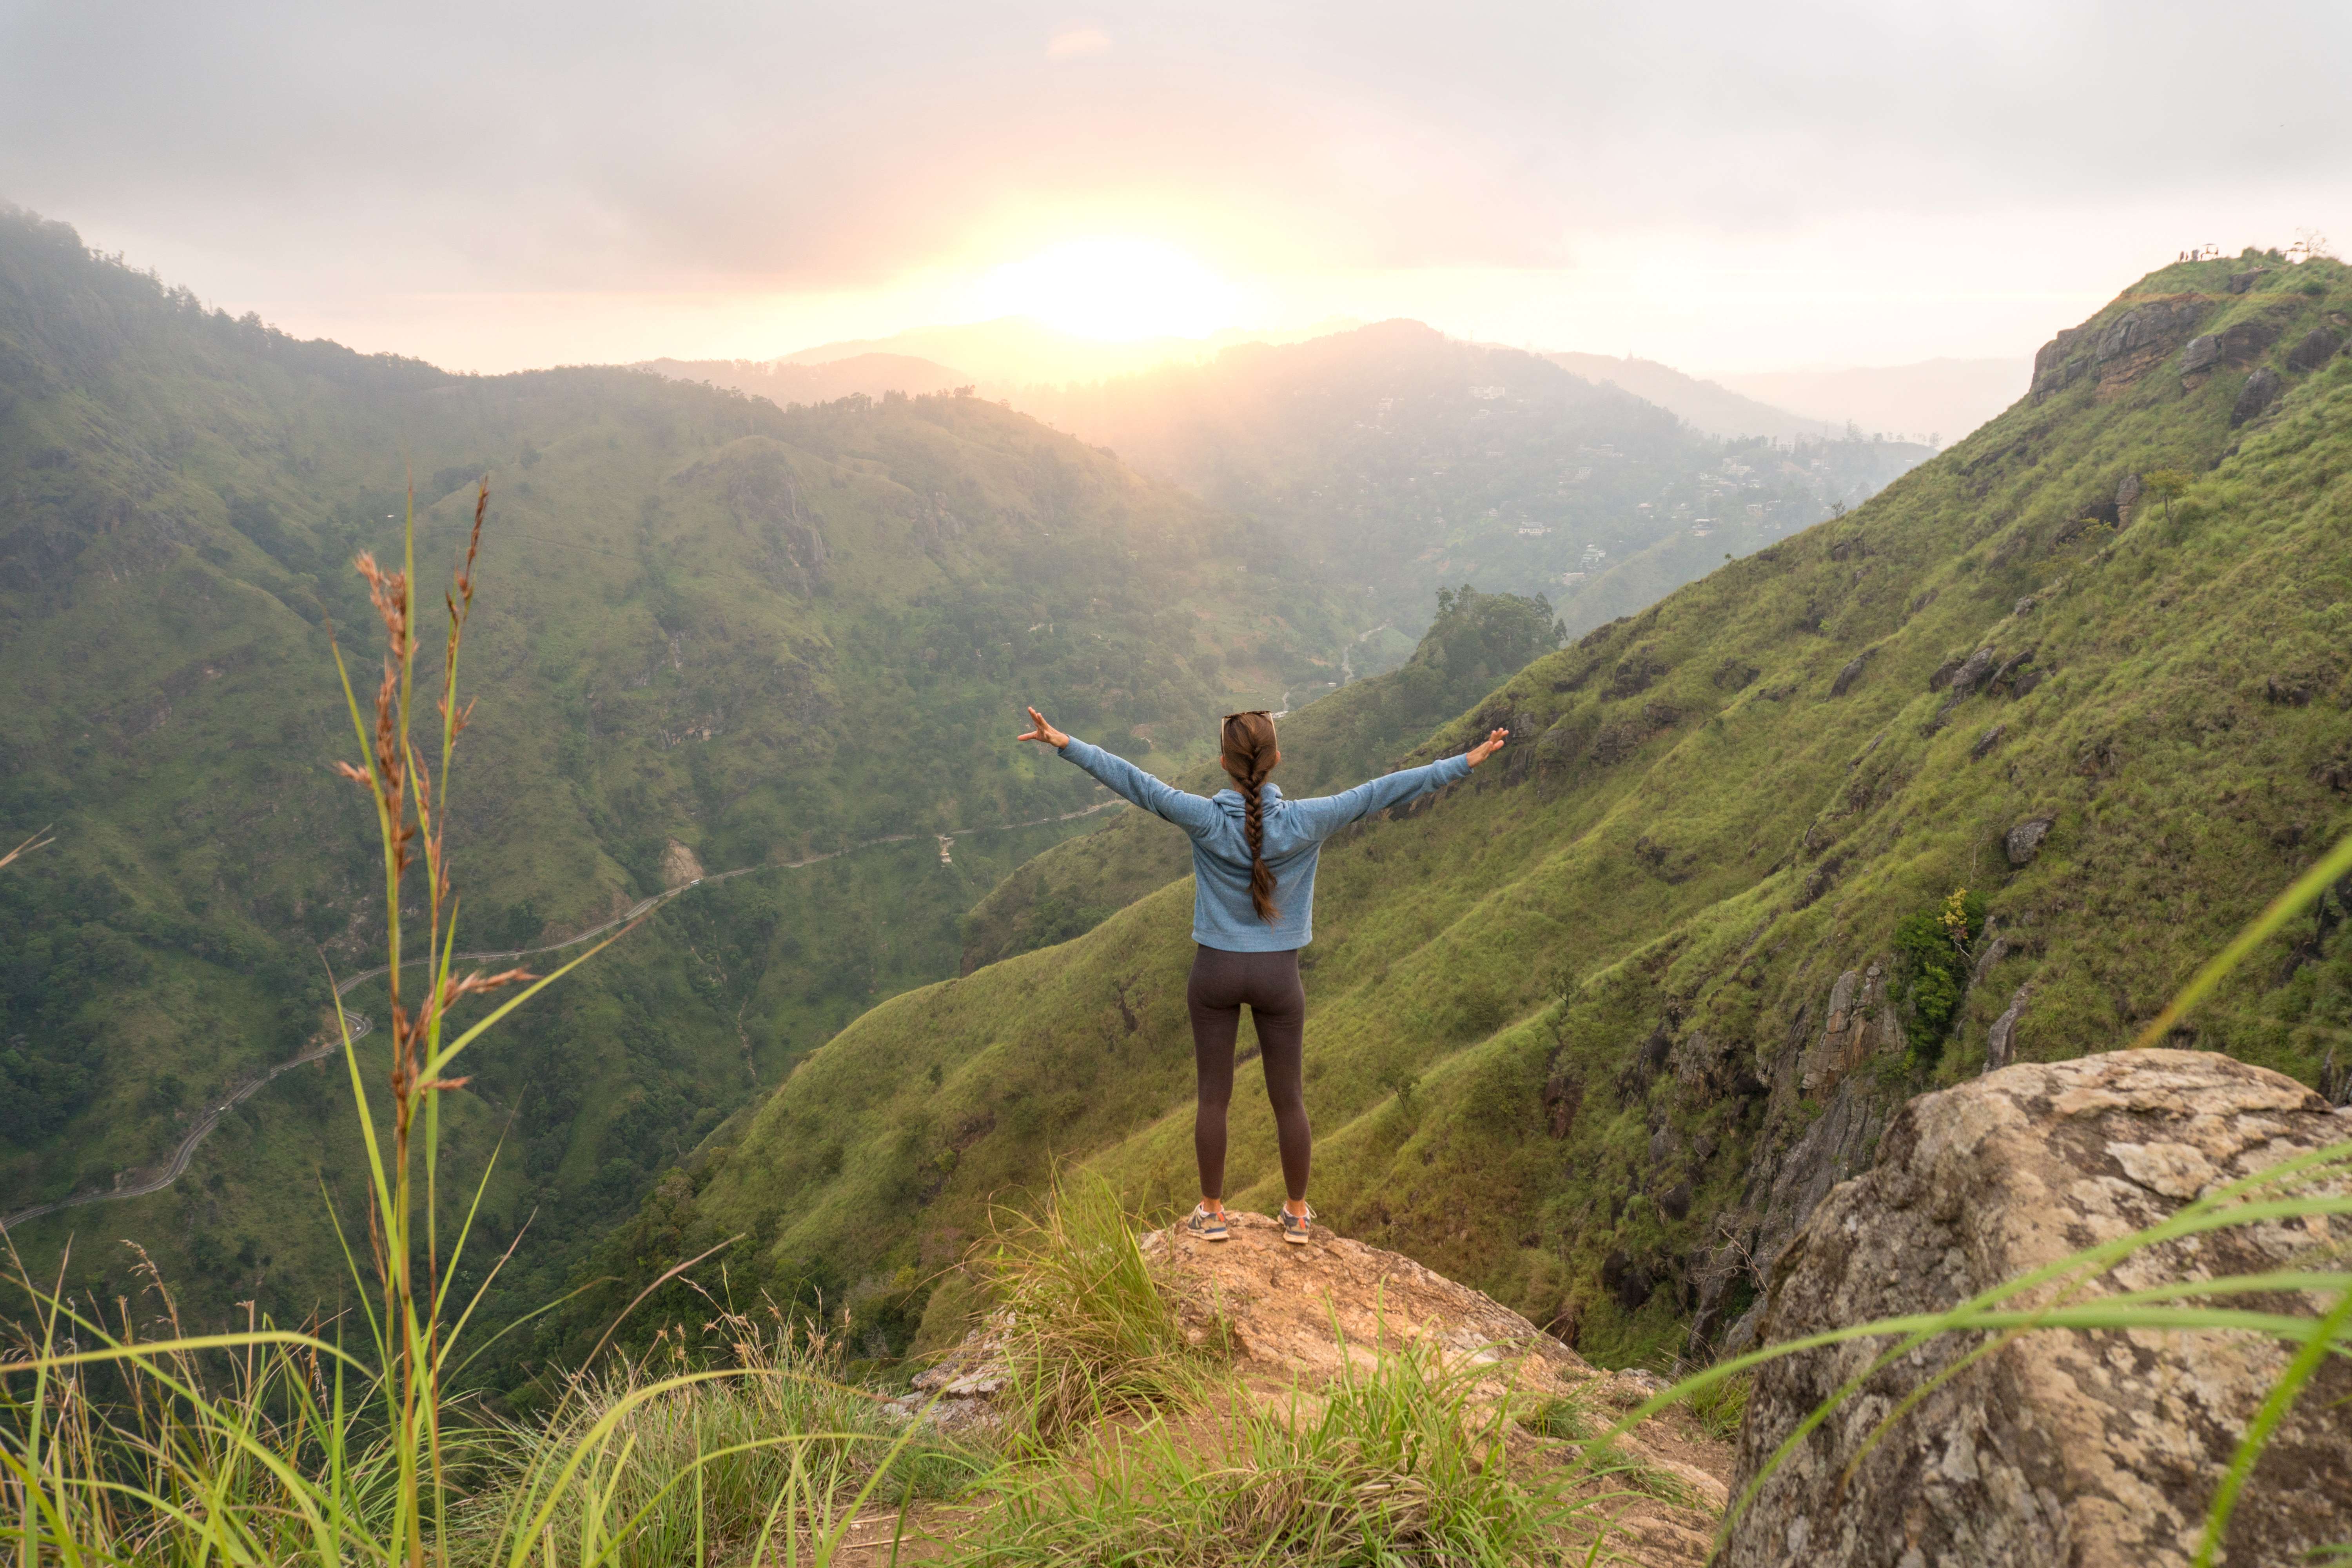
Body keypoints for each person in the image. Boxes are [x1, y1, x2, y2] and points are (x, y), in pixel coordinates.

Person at [1016, 705, 1508, 1243]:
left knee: (1212, 1098)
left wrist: (1067, 743)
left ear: (1223, 762)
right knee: (1289, 1099)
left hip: (1215, 973)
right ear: (1276, 759)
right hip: (1280, 978)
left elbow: (1136, 783)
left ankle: (1212, 1212)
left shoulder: (1203, 817)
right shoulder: (1308, 820)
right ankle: (1296, 1214)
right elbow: (1384, 790)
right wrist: (1466, 761)